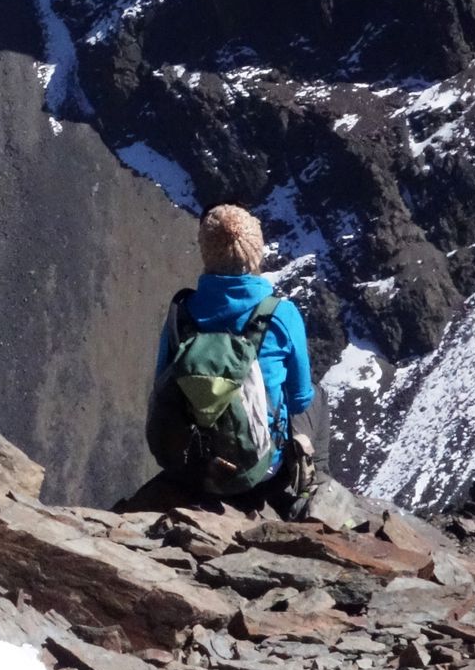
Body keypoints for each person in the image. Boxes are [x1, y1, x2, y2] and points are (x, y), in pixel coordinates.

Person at [130, 203, 328, 511]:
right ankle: (312, 492)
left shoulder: (181, 312)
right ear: (256, 251)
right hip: (259, 473)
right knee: (317, 397)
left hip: (191, 468)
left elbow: (163, 382)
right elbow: (300, 399)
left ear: (206, 251)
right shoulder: (281, 315)